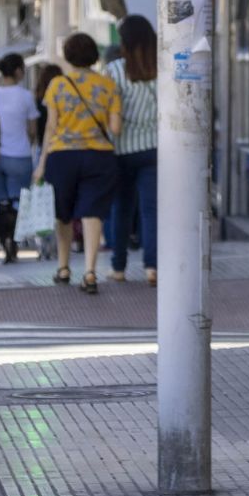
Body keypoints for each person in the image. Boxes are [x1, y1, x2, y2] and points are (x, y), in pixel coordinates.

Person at [34, 33, 122, 294]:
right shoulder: (108, 85)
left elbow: (50, 128)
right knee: (92, 212)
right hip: (99, 155)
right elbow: (116, 128)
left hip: (63, 156)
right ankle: (91, 271)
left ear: (68, 56)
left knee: (63, 213)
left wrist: (41, 163)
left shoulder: (57, 85)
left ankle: (63, 267)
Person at [105, 16, 159, 286]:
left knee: (121, 209)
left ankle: (119, 267)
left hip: (121, 150)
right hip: (154, 149)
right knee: (151, 210)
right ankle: (153, 267)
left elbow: (106, 111)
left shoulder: (114, 71)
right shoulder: (162, 69)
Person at [0, 52, 37, 263]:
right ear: (17, 71)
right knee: (17, 203)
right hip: (19, 155)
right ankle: (13, 241)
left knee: (2, 202)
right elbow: (32, 129)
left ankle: (2, 238)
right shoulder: (26, 96)